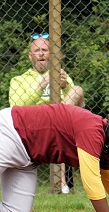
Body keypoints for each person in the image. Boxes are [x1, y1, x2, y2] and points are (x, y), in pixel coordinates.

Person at [9, 33, 84, 194]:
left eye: (45, 50)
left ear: (51, 54)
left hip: (62, 119)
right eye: (37, 51)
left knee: (77, 90)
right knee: (60, 122)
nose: (41, 53)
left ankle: (63, 182)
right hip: (35, 123)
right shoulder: (19, 80)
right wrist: (43, 84)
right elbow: (16, 105)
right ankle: (62, 182)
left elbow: (76, 99)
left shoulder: (61, 75)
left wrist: (64, 86)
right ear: (30, 56)